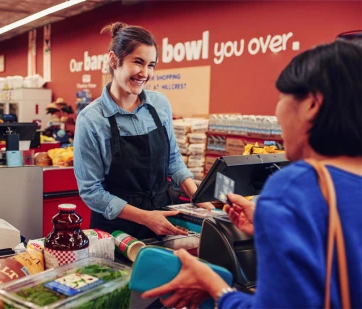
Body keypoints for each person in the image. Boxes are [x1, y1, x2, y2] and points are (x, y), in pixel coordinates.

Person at [142, 40, 362, 308]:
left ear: (312, 105)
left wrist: (214, 286)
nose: (278, 113)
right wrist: (269, 224)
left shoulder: (294, 187)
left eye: (282, 97)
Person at [73, 22, 213, 240]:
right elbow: (91, 191)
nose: (145, 73)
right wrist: (145, 217)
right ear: (114, 60)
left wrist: (199, 198)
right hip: (116, 230)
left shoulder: (160, 105)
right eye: (138, 62)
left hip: (163, 218)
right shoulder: (91, 119)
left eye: (151, 65)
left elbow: (173, 160)